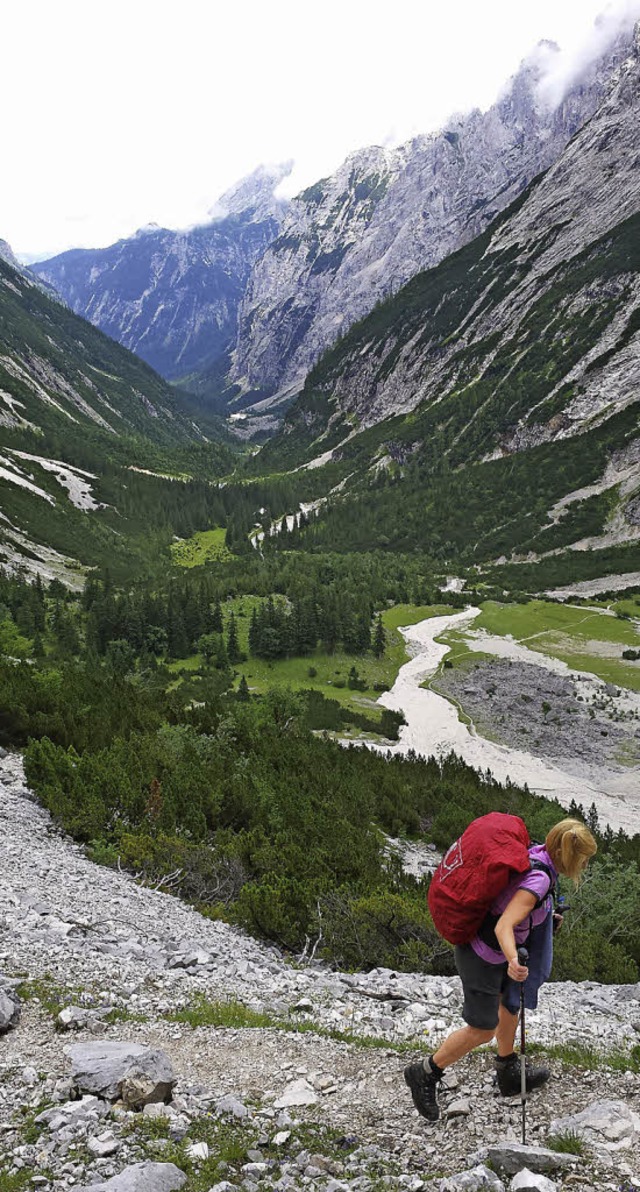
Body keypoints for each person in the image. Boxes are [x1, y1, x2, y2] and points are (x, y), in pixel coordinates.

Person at [404, 818, 597, 1122]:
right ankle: (424, 1072)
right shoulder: (540, 878)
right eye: (584, 859)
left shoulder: (538, 855)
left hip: (495, 951)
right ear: (568, 855)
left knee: (510, 1005)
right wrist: (512, 960)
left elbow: (524, 908)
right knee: (482, 1029)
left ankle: (507, 1071)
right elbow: (504, 924)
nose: (585, 865)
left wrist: (546, 917)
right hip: (482, 954)